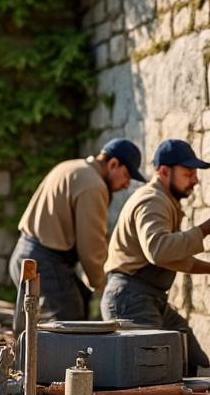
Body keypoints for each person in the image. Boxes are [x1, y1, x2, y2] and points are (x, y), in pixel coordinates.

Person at [101, 139, 210, 374]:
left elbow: (169, 257)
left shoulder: (163, 200)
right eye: (188, 173)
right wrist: (205, 229)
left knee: (196, 365)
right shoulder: (152, 201)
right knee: (150, 376)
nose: (195, 180)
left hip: (150, 300)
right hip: (130, 301)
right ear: (164, 171)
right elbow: (159, 250)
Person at [8, 138, 145, 322]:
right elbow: (91, 247)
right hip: (45, 263)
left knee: (31, 329)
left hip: (23, 254)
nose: (127, 184)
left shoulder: (70, 167)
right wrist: (105, 286)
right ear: (113, 164)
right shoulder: (94, 185)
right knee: (71, 327)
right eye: (127, 176)